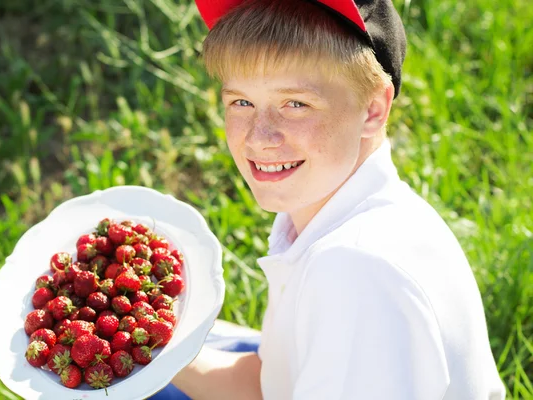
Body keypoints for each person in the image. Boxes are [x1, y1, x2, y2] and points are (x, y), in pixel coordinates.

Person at [150, 0, 506, 398]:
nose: (258, 137)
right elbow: (269, 385)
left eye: (296, 104)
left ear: (373, 109)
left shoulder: (353, 271)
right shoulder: (328, 205)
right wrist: (146, 338)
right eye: (242, 102)